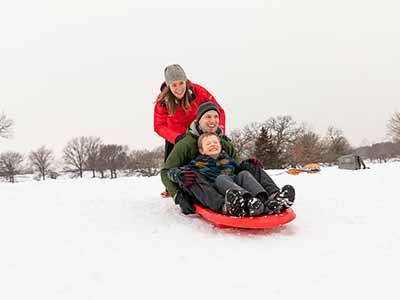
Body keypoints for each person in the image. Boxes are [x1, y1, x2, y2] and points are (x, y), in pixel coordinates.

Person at [160, 101, 295, 216]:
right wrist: (177, 195)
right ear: (199, 120)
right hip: (204, 188)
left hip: (228, 184)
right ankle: (227, 206)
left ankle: (273, 198)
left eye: (215, 117)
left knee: (247, 170)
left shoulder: (224, 143)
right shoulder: (185, 144)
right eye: (208, 117)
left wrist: (248, 165)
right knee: (193, 176)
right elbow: (166, 171)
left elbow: (236, 166)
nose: (213, 121)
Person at [168, 132, 293, 217]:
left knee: (244, 173)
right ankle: (244, 202)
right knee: (222, 178)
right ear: (201, 150)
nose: (213, 144)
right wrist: (178, 174)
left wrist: (250, 164)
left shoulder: (228, 159)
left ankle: (267, 200)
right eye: (208, 143)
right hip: (219, 192)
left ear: (221, 146)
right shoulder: (197, 163)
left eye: (215, 142)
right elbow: (172, 171)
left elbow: (239, 169)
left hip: (235, 187)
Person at [153, 64, 226, 197]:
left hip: (197, 131)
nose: (178, 88)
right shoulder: (162, 101)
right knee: (173, 161)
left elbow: (219, 111)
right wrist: (176, 138)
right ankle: (171, 188)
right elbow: (159, 126)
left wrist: (218, 130)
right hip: (175, 136)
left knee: (207, 154)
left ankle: (220, 179)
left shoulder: (199, 92)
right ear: (168, 85)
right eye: (174, 85)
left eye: (181, 83)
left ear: (186, 81)